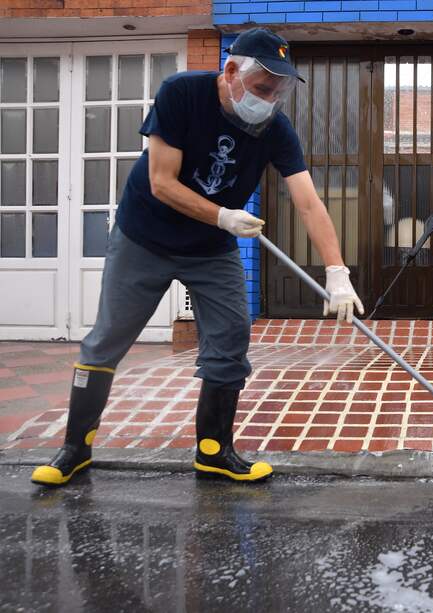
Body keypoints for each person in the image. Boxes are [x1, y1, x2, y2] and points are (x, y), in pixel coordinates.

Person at [31, 28, 363, 487]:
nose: (270, 99)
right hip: (145, 237)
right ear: (231, 71)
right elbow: (162, 182)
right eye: (264, 87)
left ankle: (214, 451)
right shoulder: (181, 94)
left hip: (210, 249)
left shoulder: (274, 128)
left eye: (280, 90)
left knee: (230, 339)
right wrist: (224, 216)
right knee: (108, 339)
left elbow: (307, 201)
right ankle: (74, 448)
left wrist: (336, 271)